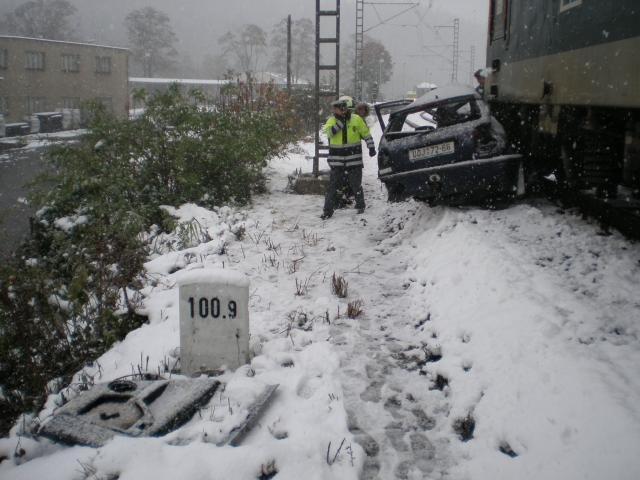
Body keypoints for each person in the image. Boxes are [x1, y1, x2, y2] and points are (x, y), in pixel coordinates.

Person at [321, 96, 376, 219]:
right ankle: (327, 211)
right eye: (336, 109)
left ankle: (360, 206)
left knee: (356, 184)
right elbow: (329, 133)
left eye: (339, 109)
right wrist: (341, 122)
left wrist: (371, 147)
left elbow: (366, 134)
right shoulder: (331, 120)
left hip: (354, 160)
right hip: (337, 162)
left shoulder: (356, 119)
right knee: (333, 187)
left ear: (345, 108)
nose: (337, 111)